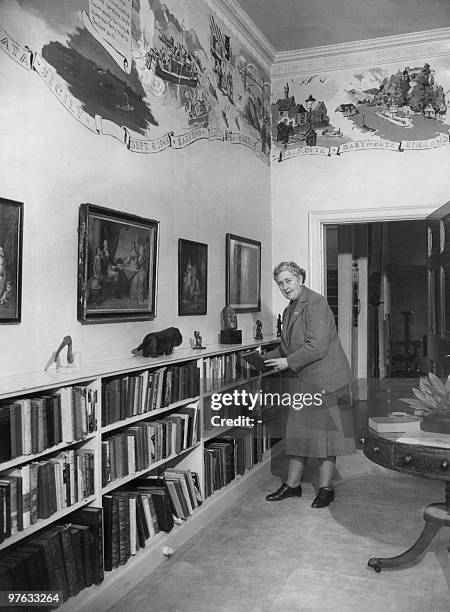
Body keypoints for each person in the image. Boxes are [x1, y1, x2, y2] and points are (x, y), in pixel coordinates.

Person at [264, 261, 355, 508]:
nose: (285, 287)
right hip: (307, 379)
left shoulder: (316, 303)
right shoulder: (290, 308)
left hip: (328, 379)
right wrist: (264, 358)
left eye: (288, 281)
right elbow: (288, 346)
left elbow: (317, 346)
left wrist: (287, 363)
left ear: (299, 278)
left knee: (327, 439)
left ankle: (326, 489)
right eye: (280, 283)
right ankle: (292, 486)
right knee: (299, 433)